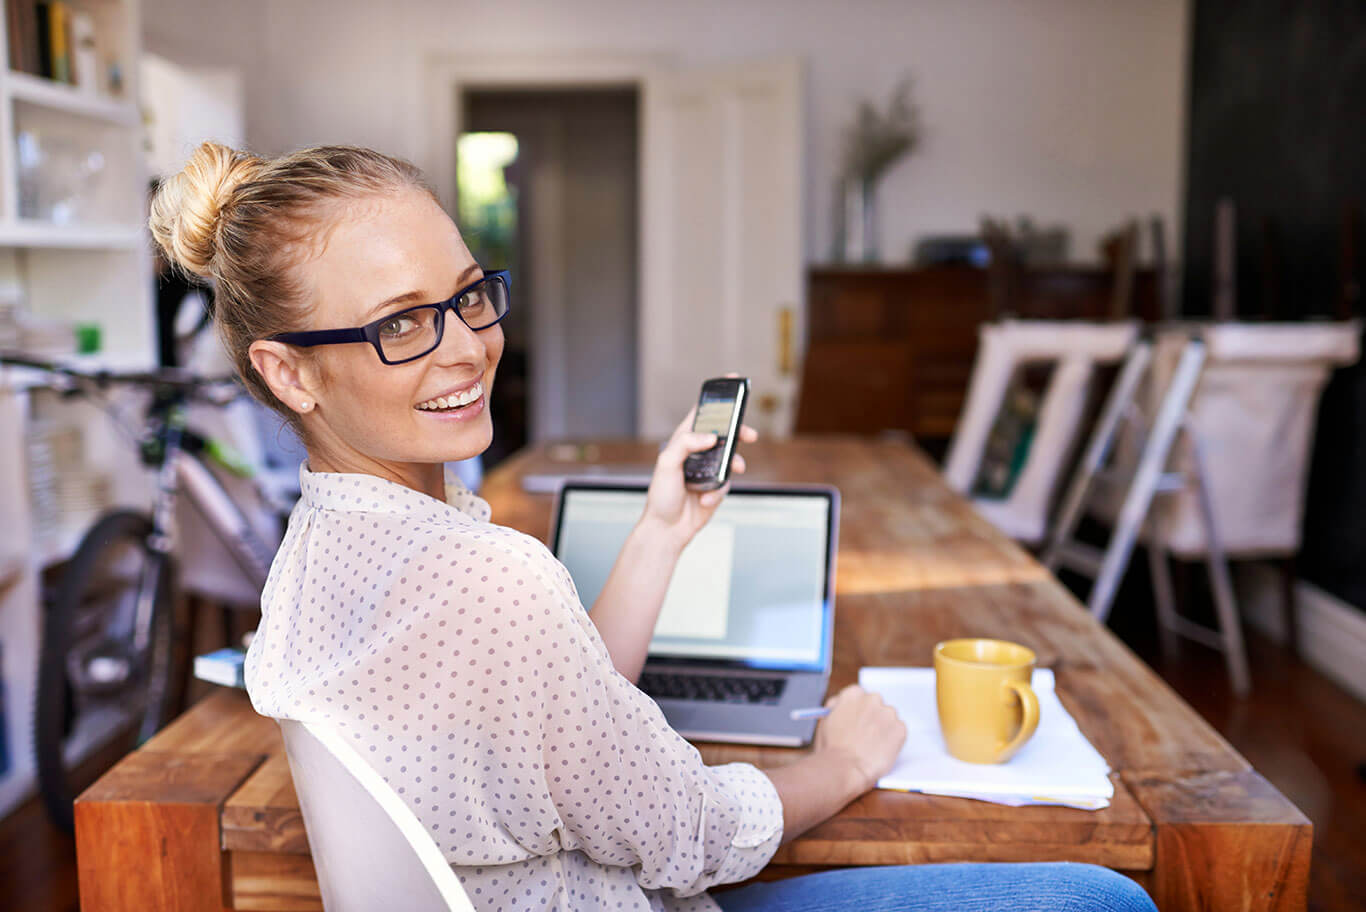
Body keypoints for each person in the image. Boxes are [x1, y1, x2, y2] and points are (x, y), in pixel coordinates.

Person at [148, 141, 1157, 912]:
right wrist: (839, 763)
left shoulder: (319, 558)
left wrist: (660, 531)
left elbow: (550, 718)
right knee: (1103, 899)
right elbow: (689, 832)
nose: (466, 349)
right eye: (400, 323)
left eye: (468, 296)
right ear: (287, 369)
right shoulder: (486, 576)